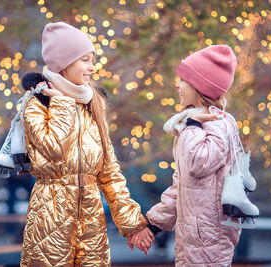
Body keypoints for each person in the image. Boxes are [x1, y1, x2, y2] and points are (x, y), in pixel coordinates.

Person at [20, 22, 153, 267]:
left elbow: (109, 172)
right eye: (84, 60)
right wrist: (61, 104)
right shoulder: (37, 104)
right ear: (63, 64)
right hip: (51, 219)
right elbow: (53, 148)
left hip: (92, 224)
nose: (92, 67)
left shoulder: (93, 105)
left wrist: (133, 225)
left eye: (92, 60)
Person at [130, 45, 243, 266]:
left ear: (199, 87)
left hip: (210, 241)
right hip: (195, 238)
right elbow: (182, 186)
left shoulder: (217, 125)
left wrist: (191, 126)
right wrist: (152, 224)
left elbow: (197, 163)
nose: (177, 85)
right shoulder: (198, 124)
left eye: (182, 79)